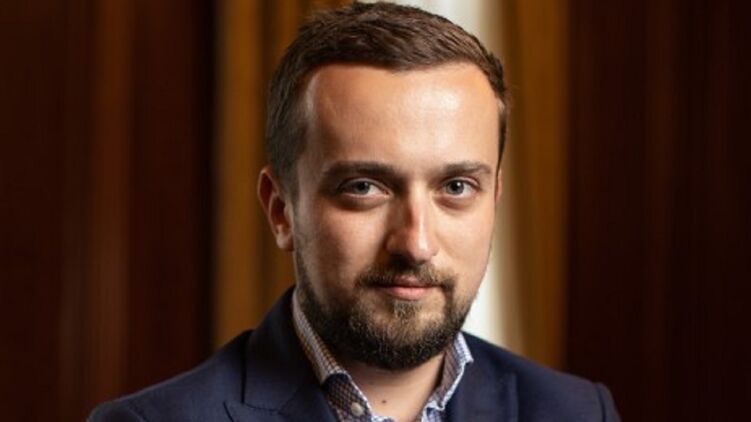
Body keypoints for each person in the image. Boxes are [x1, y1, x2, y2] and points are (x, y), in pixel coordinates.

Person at [89, 2, 619, 421]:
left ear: (494, 199)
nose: (416, 243)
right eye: (365, 188)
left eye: (456, 187)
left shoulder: (577, 413)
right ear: (281, 209)